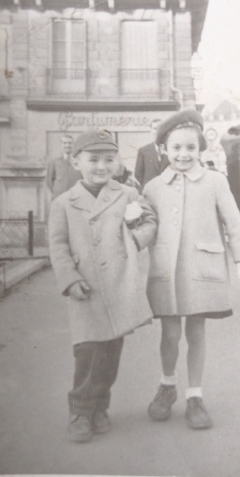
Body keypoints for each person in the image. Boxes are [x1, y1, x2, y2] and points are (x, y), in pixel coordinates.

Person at [142, 109, 240, 430]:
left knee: (196, 332)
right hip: (166, 272)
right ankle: (167, 386)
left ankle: (195, 395)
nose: (183, 154)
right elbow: (146, 227)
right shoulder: (152, 188)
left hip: (202, 270)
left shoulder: (215, 182)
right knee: (170, 333)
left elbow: (233, 220)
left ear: (200, 149)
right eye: (176, 148)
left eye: (191, 148)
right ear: (164, 150)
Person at [48, 129, 157, 442]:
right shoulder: (64, 203)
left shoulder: (127, 194)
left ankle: (100, 407)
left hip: (119, 283)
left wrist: (133, 238)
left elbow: (151, 221)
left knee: (110, 352)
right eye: (93, 159)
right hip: (86, 288)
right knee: (87, 351)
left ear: (117, 163)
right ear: (76, 161)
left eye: (109, 159)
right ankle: (80, 411)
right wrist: (69, 278)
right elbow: (57, 245)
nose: (101, 166)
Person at [134, 119, 168, 189]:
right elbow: (138, 174)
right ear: (151, 130)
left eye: (160, 128)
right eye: (155, 128)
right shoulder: (143, 150)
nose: (157, 131)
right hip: (149, 190)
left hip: (167, 190)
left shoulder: (170, 150)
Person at [46, 133, 80, 199]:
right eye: (65, 143)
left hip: (76, 196)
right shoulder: (54, 161)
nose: (67, 145)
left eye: (70, 143)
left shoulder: (79, 161)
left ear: (73, 145)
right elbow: (49, 180)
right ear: (61, 145)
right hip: (60, 196)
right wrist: (57, 191)